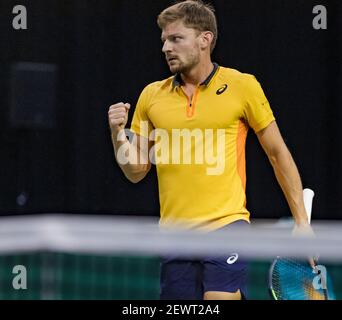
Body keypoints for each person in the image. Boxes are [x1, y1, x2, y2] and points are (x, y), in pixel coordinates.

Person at [108, 0, 313, 300]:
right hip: (175, 237)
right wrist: (117, 135)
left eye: (176, 38)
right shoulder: (152, 96)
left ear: (205, 39)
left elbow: (277, 153)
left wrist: (302, 224)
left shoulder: (242, 86)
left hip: (226, 226)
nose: (166, 47)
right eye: (164, 40)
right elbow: (137, 170)